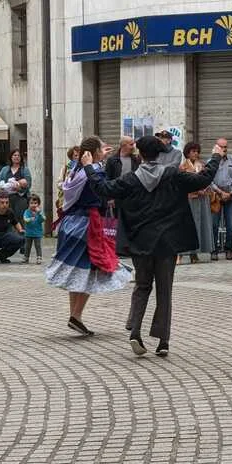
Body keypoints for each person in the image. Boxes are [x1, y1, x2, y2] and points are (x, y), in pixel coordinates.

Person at [83, 136, 223, 357]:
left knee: (142, 285)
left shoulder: (130, 179)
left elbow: (103, 187)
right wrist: (215, 156)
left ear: (140, 154)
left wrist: (90, 167)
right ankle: (163, 341)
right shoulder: (173, 175)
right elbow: (203, 179)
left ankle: (135, 331)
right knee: (164, 290)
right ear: (160, 154)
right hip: (167, 242)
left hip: (141, 241)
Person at [46, 136, 132, 336]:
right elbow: (103, 189)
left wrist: (100, 157)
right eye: (102, 148)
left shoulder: (75, 170)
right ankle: (76, 315)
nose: (105, 150)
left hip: (70, 223)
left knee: (77, 269)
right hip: (88, 225)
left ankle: (75, 315)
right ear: (94, 153)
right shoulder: (93, 172)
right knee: (91, 268)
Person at [178, 142, 214, 265]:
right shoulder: (182, 167)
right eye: (193, 151)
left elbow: (208, 179)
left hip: (202, 198)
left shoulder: (202, 165)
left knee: (200, 225)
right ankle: (180, 254)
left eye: (197, 151)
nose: (195, 154)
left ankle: (195, 253)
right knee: (187, 226)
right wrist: (196, 189)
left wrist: (205, 188)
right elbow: (182, 183)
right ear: (187, 153)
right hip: (189, 198)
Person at [209, 137, 232, 261]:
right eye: (221, 147)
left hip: (231, 198)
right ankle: (214, 250)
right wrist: (220, 192)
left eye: (225, 146)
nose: (224, 149)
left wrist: (231, 193)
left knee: (231, 225)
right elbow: (209, 180)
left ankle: (229, 250)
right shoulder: (211, 161)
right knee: (214, 225)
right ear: (216, 147)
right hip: (216, 197)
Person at [0, 150, 32, 224]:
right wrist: (0, 188)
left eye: (18, 155)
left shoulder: (25, 169)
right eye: (14, 155)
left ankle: (20, 231)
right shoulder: (5, 169)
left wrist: (20, 188)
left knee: (20, 219)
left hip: (20, 198)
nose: (16, 157)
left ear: (21, 158)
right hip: (6, 198)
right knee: (7, 219)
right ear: (11, 157)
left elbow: (28, 184)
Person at [55, 146, 82, 228]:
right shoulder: (66, 167)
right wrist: (67, 185)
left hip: (78, 199)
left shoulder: (84, 167)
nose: (78, 157)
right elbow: (59, 183)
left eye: (79, 155)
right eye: (76, 155)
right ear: (71, 157)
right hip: (66, 199)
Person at [22, 194, 46, 264]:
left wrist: (39, 213)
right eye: (31, 203)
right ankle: (26, 257)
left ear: (38, 204)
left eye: (35, 203)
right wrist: (29, 219)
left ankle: (39, 257)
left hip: (37, 233)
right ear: (28, 204)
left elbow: (43, 219)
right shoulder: (27, 211)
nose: (33, 205)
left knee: (38, 246)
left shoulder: (40, 212)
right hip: (28, 233)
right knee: (27, 246)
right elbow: (25, 219)